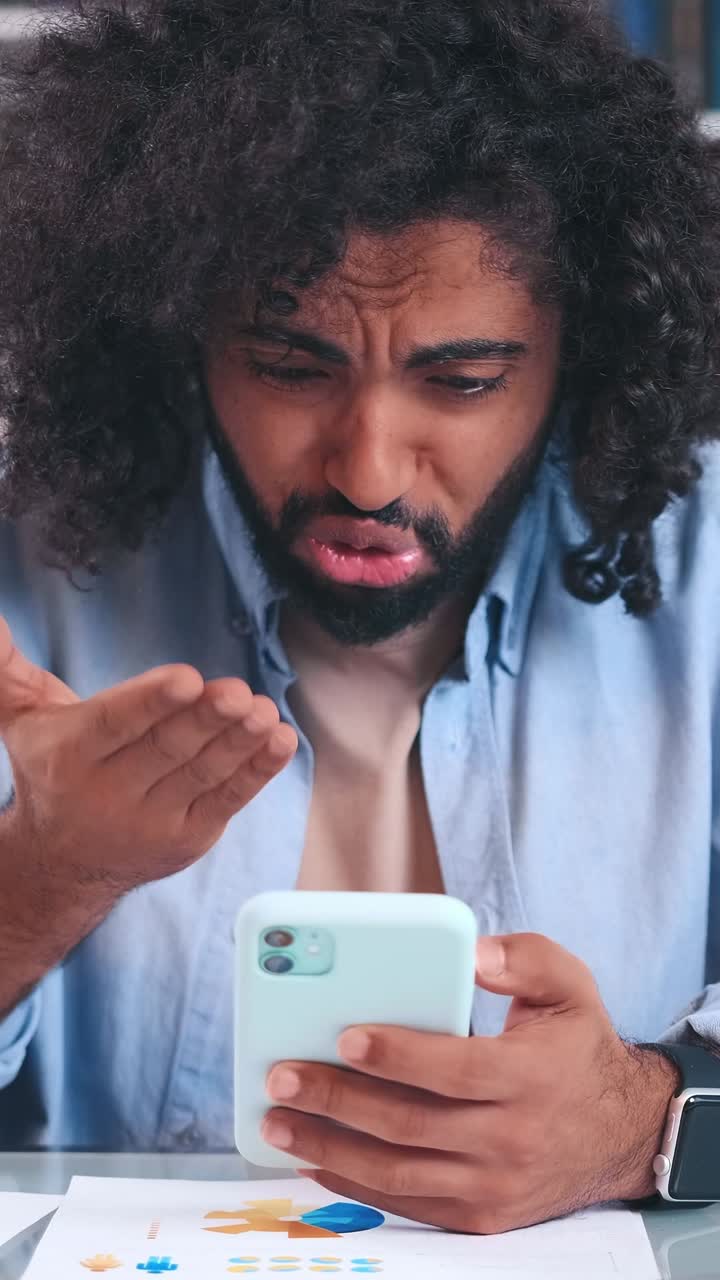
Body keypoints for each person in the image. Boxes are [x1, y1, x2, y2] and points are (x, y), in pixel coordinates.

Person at [0, 0, 719, 1234]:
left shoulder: (704, 569)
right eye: (291, 366)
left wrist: (646, 1116)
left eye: (464, 380)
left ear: (586, 352)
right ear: (178, 334)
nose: (370, 469)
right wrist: (44, 877)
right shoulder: (29, 582)